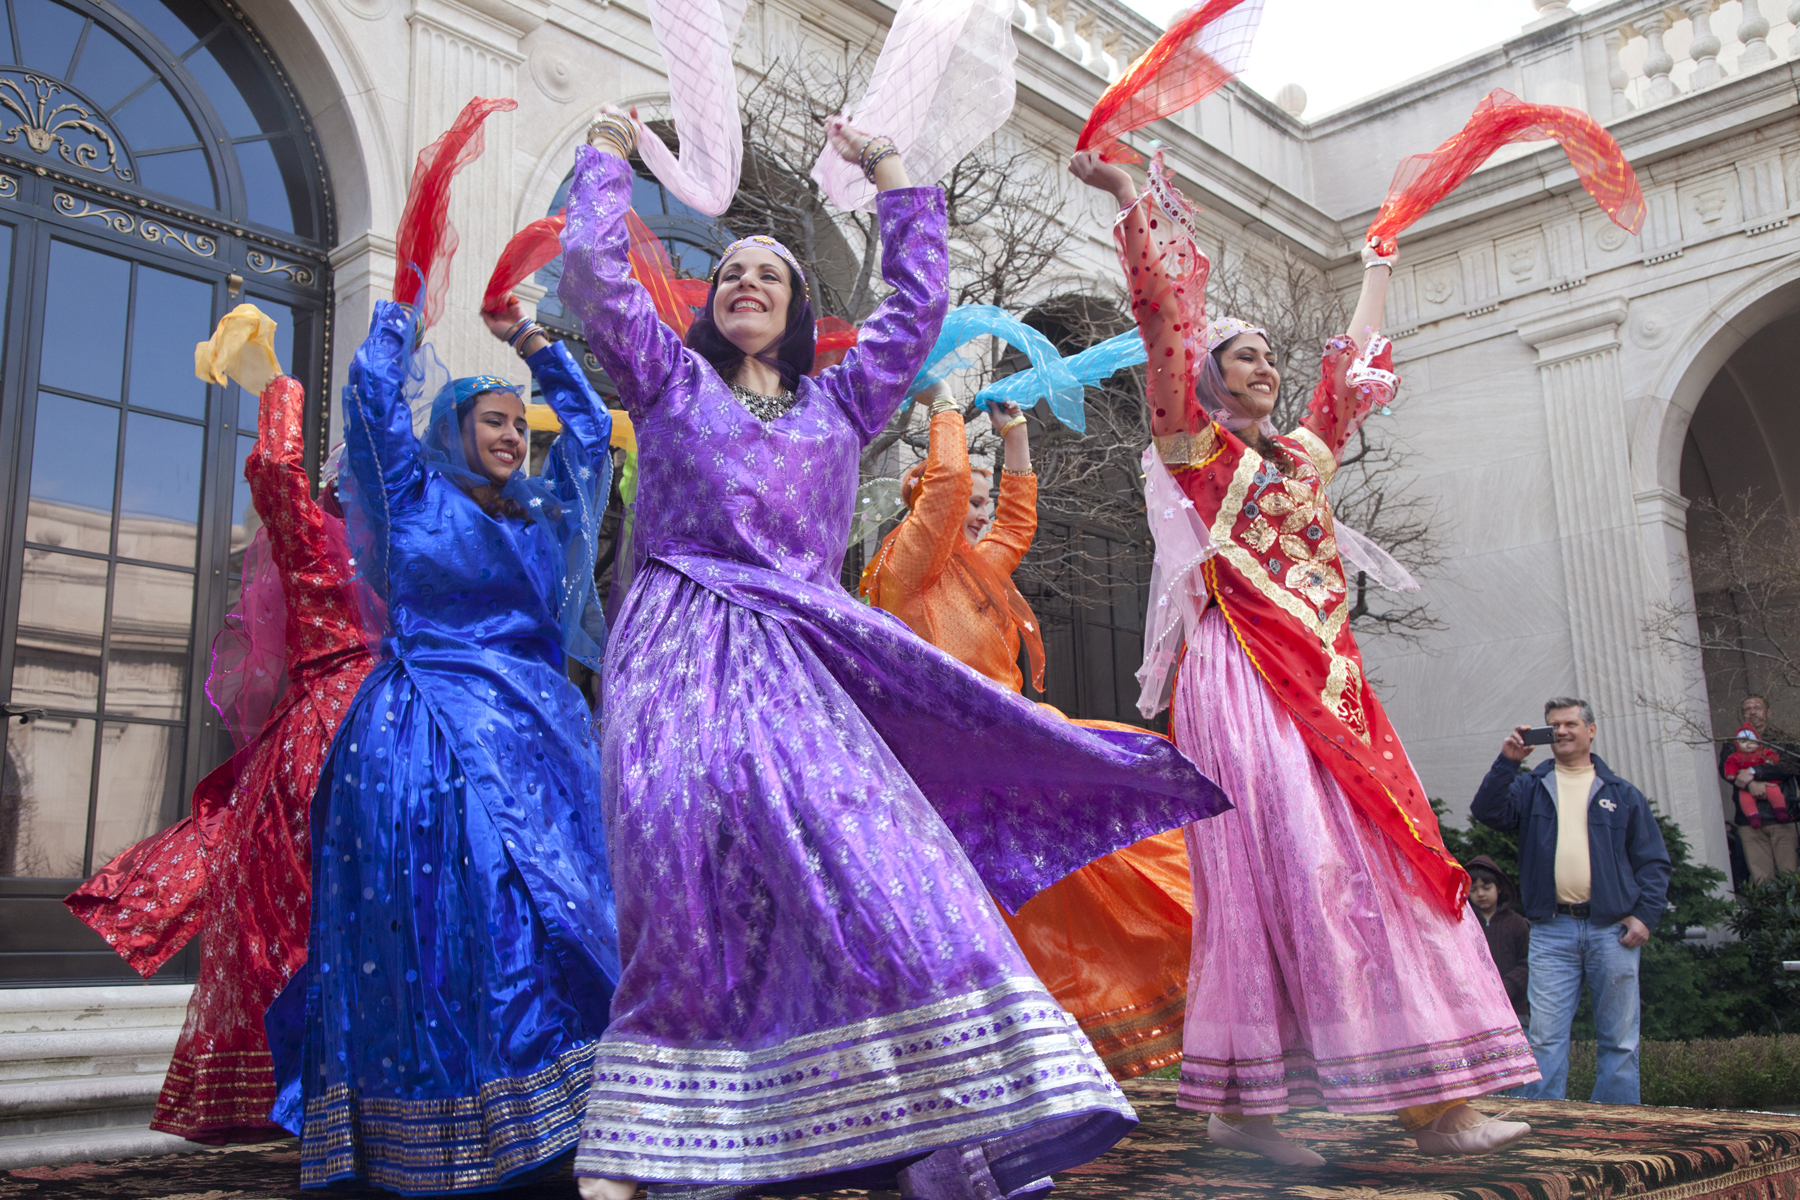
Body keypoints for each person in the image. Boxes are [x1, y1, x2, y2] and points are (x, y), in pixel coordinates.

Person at [558, 111, 1229, 1200]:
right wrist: (604, 159)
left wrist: (893, 174)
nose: (746, 280)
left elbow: (916, 308)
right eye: (726, 269)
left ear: (797, 306)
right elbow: (594, 270)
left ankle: (933, 1118)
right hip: (679, 647)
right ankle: (647, 1143)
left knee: (882, 874)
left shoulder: (840, 405)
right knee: (679, 872)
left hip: (805, 659)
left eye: (769, 271)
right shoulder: (665, 385)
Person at [1071, 147, 1538, 1163]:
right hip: (1242, 680)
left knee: (1384, 860)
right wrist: (1128, 199)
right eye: (1243, 353)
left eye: (1268, 353)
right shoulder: (1196, 452)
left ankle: (1438, 1103)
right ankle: (1249, 1111)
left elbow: (1350, 363)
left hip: (1332, 689)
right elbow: (1161, 319)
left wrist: (1379, 255)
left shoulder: (1303, 456)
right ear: (1204, 377)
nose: (1265, 364)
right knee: (1281, 869)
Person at [263, 294, 622, 1193]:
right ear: (452, 429)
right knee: (444, 925)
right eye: (492, 421)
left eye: (516, 425)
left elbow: (589, 436)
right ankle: (423, 1133)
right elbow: (367, 404)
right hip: (424, 738)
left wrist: (536, 344)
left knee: (548, 926)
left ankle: (550, 1125)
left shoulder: (546, 520)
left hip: (538, 748)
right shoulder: (407, 496)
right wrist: (402, 318)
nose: (511, 437)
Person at [66, 307, 376, 1145]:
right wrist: (279, 391)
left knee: (364, 920)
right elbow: (276, 475)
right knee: (302, 916)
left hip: (385, 743)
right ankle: (311, 1098)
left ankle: (365, 1098)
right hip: (326, 749)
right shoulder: (316, 539)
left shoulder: (413, 558)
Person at [859, 384, 1195, 1080]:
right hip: (951, 773)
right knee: (988, 913)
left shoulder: (977, 567)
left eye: (978, 507)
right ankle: (984, 1061)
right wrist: (945, 407)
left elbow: (1016, 523)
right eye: (963, 506)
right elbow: (949, 483)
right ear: (924, 508)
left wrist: (1015, 438)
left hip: (1014, 752)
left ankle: (1057, 1047)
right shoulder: (907, 573)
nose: (978, 518)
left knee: (1094, 877)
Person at [1470, 698, 1671, 1105]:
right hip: (1550, 929)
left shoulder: (1622, 794)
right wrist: (1508, 762)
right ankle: (1544, 1126)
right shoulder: (1531, 787)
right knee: (1543, 1037)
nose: (1561, 731)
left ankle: (1616, 1124)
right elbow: (1486, 811)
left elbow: (1653, 862)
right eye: (1553, 725)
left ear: (1591, 730)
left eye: (1570, 724)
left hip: (1611, 931)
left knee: (1620, 1039)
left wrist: (1645, 917)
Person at [1719, 695, 1800, 881]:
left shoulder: (1782, 741)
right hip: (1749, 822)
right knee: (1762, 880)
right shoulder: (1733, 745)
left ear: (1768, 713)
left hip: (1783, 819)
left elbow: (1788, 766)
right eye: (1747, 709)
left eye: (1757, 708)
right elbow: (1726, 770)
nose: (1752, 712)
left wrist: (1755, 772)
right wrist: (1751, 783)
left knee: (1792, 878)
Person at [1466, 856, 1530, 1025]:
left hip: (1514, 1008)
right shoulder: (1463, 923)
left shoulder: (1517, 923)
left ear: (1499, 888)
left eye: (1486, 887)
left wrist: (1506, 988)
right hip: (1476, 1010)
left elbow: (1528, 962)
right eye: (1473, 889)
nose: (1480, 894)